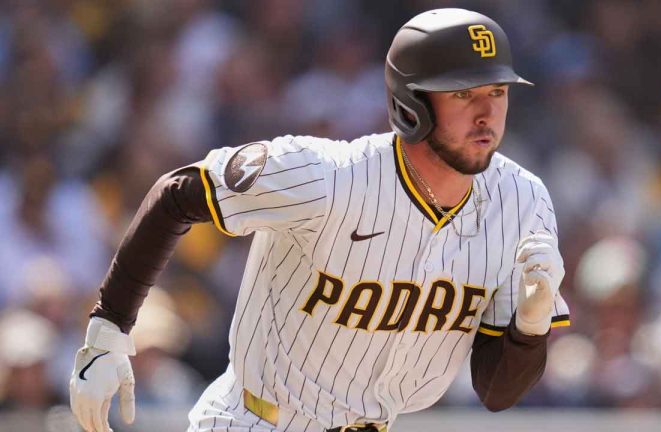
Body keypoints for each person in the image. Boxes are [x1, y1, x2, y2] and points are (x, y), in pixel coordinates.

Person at [69, 8, 569, 432]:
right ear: (412, 103)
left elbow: (496, 391)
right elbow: (177, 194)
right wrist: (108, 330)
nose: (487, 112)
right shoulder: (327, 177)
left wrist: (528, 326)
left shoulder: (522, 201)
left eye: (498, 92)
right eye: (463, 94)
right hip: (257, 422)